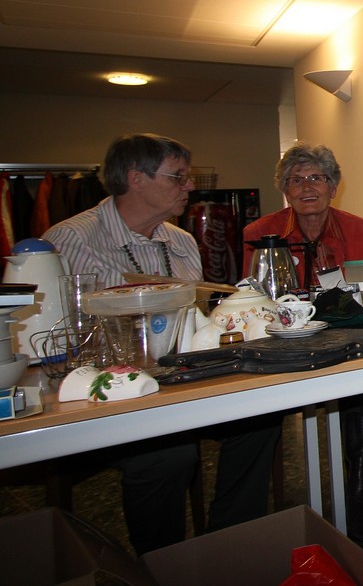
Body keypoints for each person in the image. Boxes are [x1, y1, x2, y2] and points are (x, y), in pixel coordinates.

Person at [44, 133, 282, 553]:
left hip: (180, 379)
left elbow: (197, 318)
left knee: (259, 417)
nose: (189, 187)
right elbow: (56, 331)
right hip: (113, 391)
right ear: (135, 178)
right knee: (168, 455)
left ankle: (230, 541)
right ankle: (162, 564)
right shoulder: (69, 240)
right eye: (178, 177)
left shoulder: (181, 241)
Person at [243, 143, 363, 550]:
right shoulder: (260, 233)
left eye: (316, 178)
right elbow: (254, 300)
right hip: (287, 344)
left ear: (333, 187)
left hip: (344, 338)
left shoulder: (359, 229)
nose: (307, 187)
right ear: (285, 190)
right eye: (296, 180)